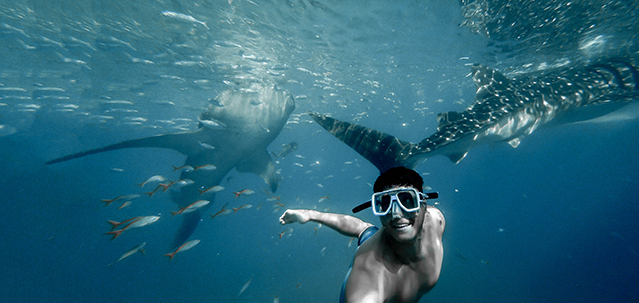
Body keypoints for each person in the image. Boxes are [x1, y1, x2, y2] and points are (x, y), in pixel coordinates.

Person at [279, 167, 445, 303]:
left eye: (407, 200)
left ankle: (310, 214)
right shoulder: (370, 276)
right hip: (372, 257)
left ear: (424, 204)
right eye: (385, 204)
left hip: (380, 238)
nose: (396, 214)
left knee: (366, 230)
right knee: (369, 236)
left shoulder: (436, 220)